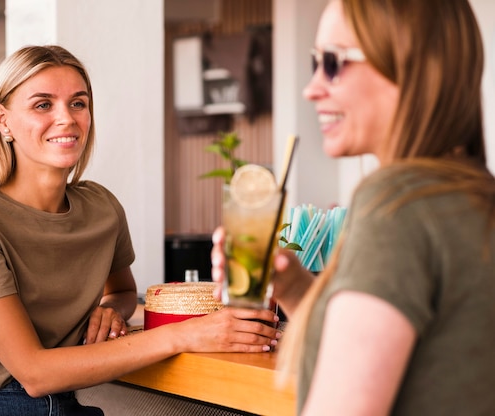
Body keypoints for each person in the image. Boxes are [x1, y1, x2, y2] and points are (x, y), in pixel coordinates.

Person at [0, 45, 280, 416]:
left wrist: (111, 309)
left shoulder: (101, 207)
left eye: (78, 103)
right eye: (43, 105)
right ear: (3, 121)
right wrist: (186, 334)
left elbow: (123, 291)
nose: (67, 118)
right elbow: (34, 372)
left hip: (63, 404)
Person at [212, 0, 495, 414]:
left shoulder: (396, 204)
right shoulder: (466, 194)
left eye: (333, 62)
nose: (312, 88)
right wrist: (293, 289)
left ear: (408, 66)